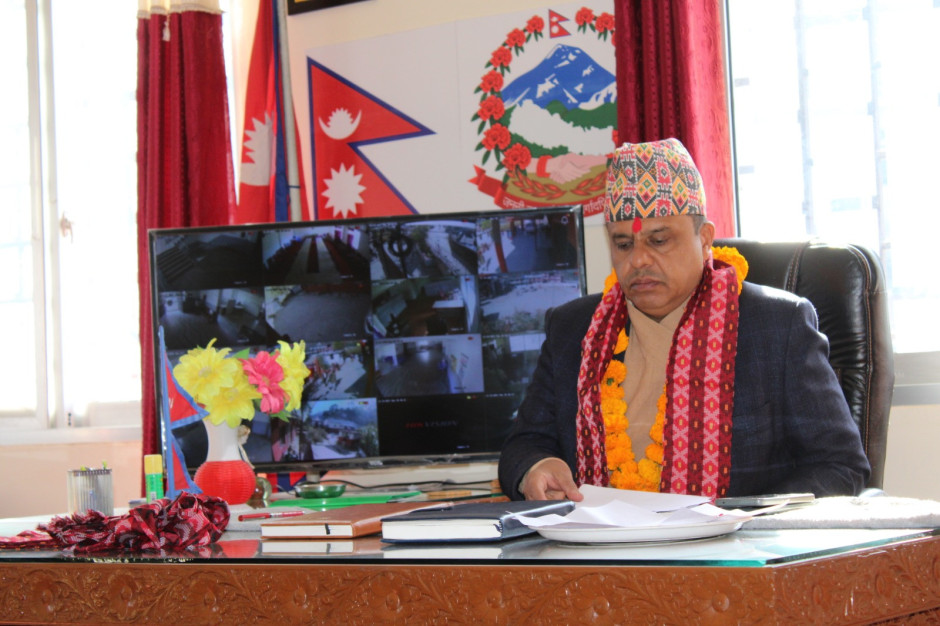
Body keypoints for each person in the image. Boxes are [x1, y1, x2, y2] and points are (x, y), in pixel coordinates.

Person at [498, 138, 870, 502]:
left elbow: (840, 465)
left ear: (704, 238)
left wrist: (754, 517)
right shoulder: (573, 328)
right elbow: (523, 445)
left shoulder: (778, 326)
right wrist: (536, 466)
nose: (638, 260)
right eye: (623, 244)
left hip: (733, 540)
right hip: (598, 539)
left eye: (659, 241)